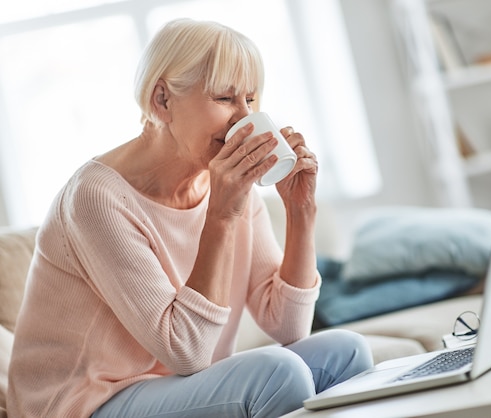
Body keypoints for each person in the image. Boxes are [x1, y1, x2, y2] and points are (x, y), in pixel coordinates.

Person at [8, 18, 373, 417]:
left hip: (175, 386)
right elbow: (187, 352)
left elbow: (288, 327)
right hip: (85, 403)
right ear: (162, 100)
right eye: (225, 99)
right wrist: (221, 215)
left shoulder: (229, 183)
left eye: (251, 100)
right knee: (278, 372)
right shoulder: (96, 198)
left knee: (346, 350)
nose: (244, 117)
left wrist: (300, 211)